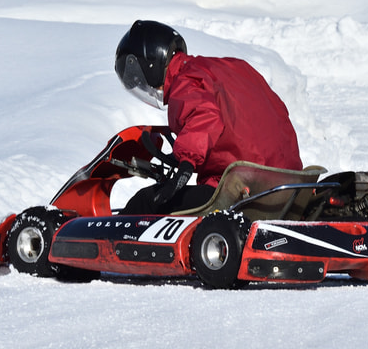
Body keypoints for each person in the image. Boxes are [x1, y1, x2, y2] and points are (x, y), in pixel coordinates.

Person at [114, 20, 303, 214]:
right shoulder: (233, 68)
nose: (152, 90)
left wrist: (187, 161)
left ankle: (106, 241)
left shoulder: (185, 80)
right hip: (289, 183)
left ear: (150, 66)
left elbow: (205, 116)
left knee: (144, 203)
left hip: (242, 190)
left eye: (144, 81)